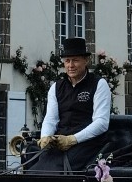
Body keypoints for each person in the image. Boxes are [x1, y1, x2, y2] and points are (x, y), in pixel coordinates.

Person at [29, 38, 111, 172]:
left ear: (86, 61)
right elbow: (51, 119)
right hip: (61, 141)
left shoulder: (99, 84)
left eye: (75, 60)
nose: (70, 65)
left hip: (87, 142)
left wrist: (73, 139)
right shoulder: (56, 87)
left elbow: (101, 122)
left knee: (55, 167)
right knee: (32, 154)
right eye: (67, 61)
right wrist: (45, 137)